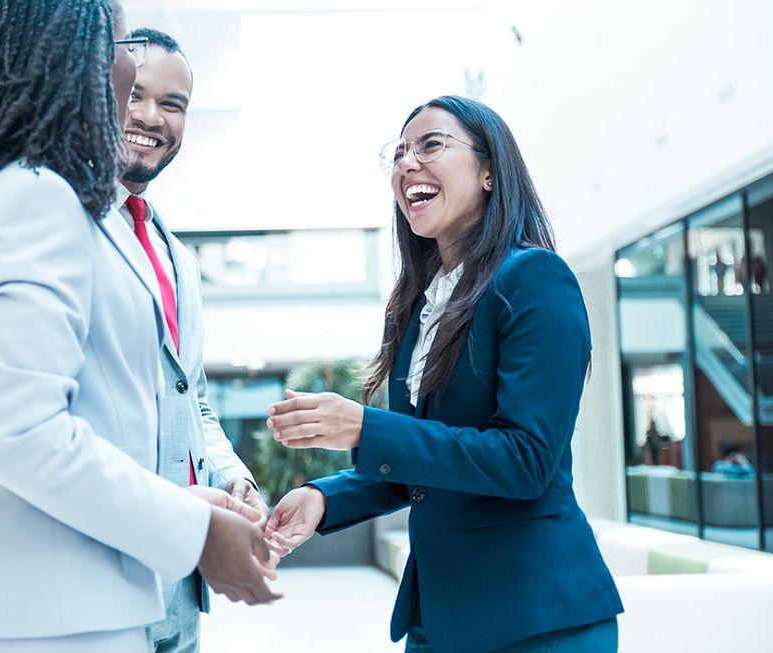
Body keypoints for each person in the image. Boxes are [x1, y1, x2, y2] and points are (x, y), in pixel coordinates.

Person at [0, 2, 280, 651]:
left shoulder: (49, 197)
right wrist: (196, 531)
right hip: (47, 615)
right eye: (121, 44)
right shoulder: (35, 196)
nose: (132, 64)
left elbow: (158, 399)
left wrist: (207, 494)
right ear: (69, 55)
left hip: (79, 603)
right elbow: (21, 432)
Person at [264, 95, 623, 653]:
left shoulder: (534, 278)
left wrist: (365, 429)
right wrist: (326, 498)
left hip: (537, 620)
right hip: (440, 620)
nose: (407, 164)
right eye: (400, 153)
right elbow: (428, 463)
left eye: (431, 145)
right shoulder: (421, 305)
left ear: (488, 171)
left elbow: (525, 461)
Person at [115, 28, 269, 653]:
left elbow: (192, 397)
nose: (152, 117)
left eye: (172, 104)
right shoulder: (64, 229)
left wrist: (236, 482)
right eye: (136, 96)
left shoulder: (176, 255)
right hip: (107, 577)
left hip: (181, 594)